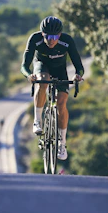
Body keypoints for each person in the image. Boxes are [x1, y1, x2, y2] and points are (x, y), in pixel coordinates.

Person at [20, 16, 84, 161]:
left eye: (55, 36)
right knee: (43, 81)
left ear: (60, 35)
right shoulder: (34, 39)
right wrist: (29, 75)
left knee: (61, 103)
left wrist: (78, 76)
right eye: (47, 36)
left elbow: (79, 66)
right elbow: (24, 66)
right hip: (41, 65)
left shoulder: (67, 41)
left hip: (60, 69)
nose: (51, 40)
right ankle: (38, 120)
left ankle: (62, 143)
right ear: (42, 34)